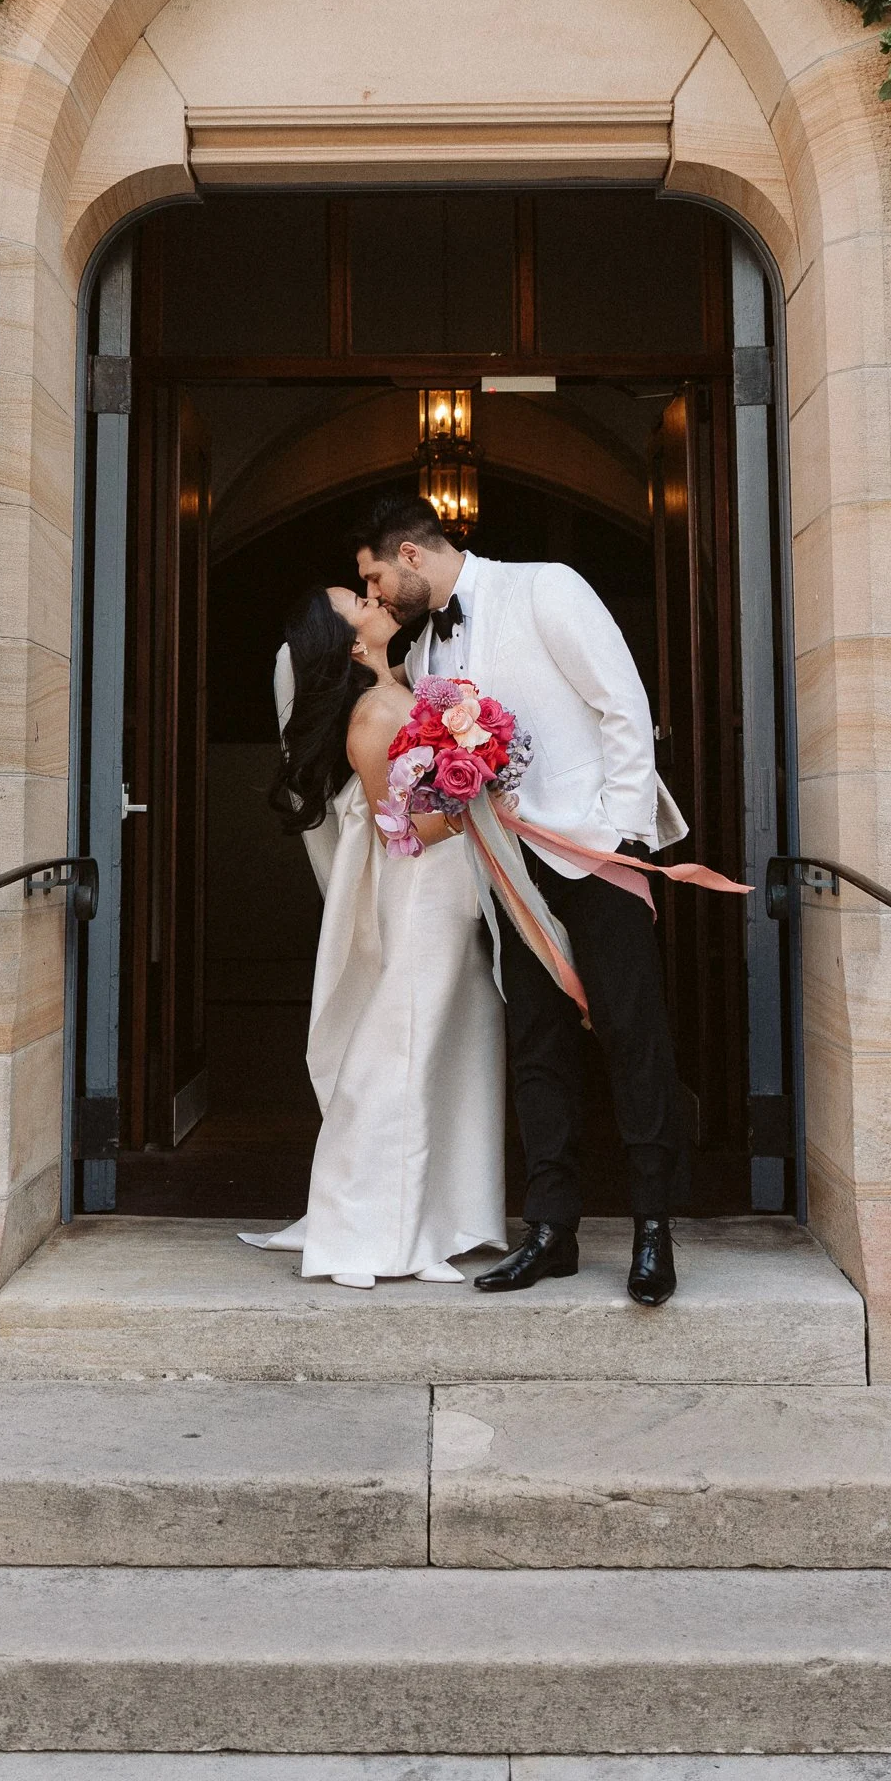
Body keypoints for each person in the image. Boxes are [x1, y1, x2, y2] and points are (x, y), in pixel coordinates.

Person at [356, 493, 690, 1307]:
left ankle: (653, 1228)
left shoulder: (548, 588)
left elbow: (623, 703)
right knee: (536, 1045)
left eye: (371, 575)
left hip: (595, 853)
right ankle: (553, 1230)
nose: (371, 593)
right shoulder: (427, 653)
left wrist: (626, 835)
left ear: (408, 556)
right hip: (505, 866)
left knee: (633, 1036)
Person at [244, 584, 506, 1287]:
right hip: (422, 892)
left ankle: (436, 1218)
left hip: (447, 891)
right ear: (347, 641)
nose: (373, 596)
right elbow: (401, 830)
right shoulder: (374, 712)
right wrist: (480, 786)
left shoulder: (410, 691)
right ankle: (375, 1232)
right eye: (355, 600)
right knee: (405, 1049)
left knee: (450, 1044)